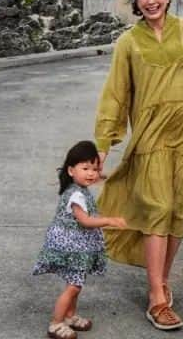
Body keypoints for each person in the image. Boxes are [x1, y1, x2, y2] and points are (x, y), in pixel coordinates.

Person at [94, 0, 183, 332]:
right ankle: (156, 299)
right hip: (150, 137)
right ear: (135, 1)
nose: (150, 1)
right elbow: (115, 96)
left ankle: (162, 282)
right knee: (157, 209)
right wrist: (104, 143)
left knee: (176, 212)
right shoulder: (129, 42)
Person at [32, 139, 128, 339]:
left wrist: (109, 175)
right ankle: (56, 323)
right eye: (85, 168)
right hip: (70, 246)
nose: (91, 173)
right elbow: (85, 221)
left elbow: (99, 176)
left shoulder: (79, 188)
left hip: (76, 246)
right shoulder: (76, 196)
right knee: (73, 286)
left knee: (75, 283)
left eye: (94, 168)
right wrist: (109, 220)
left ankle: (70, 316)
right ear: (70, 171)